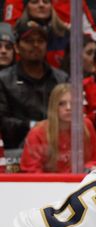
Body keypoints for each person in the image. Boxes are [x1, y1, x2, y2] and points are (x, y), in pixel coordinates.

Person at [0, 19, 67, 149]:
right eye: (29, 41)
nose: (36, 45)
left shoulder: (61, 78)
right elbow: (1, 120)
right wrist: (31, 126)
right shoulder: (3, 79)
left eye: (40, 41)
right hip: (15, 150)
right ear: (17, 47)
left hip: (56, 147)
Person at [20, 82, 96, 172]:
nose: (68, 108)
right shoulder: (38, 132)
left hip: (80, 182)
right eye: (62, 103)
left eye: (73, 103)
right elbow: (31, 170)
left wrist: (89, 168)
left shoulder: (86, 126)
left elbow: (94, 159)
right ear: (53, 106)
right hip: (47, 184)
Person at [2, 0, 96, 41]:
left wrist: (71, 32)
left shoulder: (74, 2)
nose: (41, 5)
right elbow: (9, 37)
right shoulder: (15, 1)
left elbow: (94, 37)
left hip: (63, 59)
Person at [13, 0, 69, 69]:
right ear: (26, 7)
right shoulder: (16, 33)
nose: (41, 5)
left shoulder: (65, 33)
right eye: (35, 2)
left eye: (45, 2)